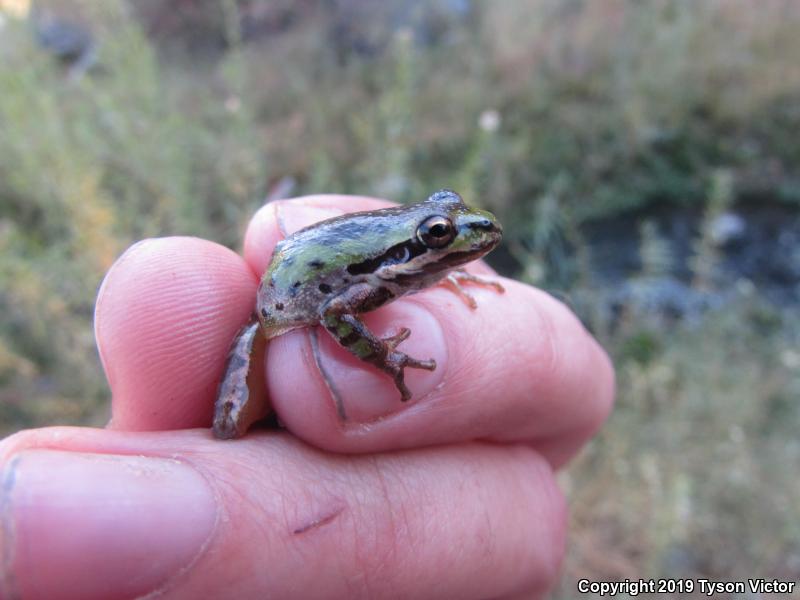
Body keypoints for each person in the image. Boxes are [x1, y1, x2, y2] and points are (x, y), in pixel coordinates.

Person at [0, 195, 614, 599]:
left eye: (441, 227)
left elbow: (396, 273)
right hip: (277, 311)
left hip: (344, 270)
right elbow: (336, 312)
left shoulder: (406, 264)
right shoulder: (374, 276)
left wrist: (439, 269)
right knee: (230, 423)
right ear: (412, 242)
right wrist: (385, 358)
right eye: (436, 234)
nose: (463, 235)